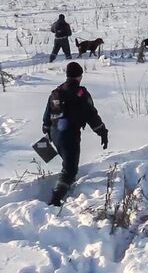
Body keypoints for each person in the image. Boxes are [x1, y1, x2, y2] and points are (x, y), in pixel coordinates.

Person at [42, 62, 108, 206]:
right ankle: (55, 200)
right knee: (70, 169)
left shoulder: (56, 92)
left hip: (55, 133)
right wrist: (102, 131)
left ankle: (64, 185)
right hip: (69, 135)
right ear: (79, 76)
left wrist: (47, 130)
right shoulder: (81, 94)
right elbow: (92, 115)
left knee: (67, 164)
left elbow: (47, 115)